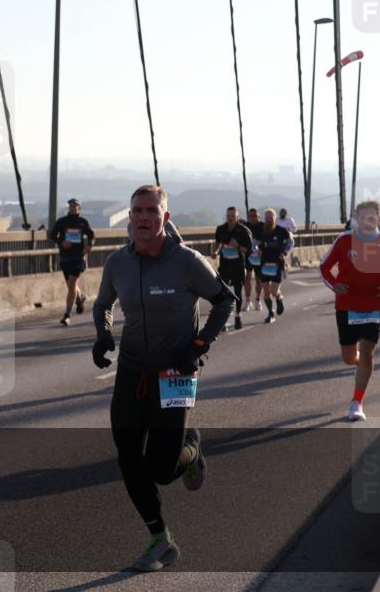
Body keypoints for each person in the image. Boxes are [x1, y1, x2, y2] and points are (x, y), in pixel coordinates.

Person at [92, 185, 235, 572]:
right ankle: (160, 539)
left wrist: (199, 345)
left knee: (159, 468)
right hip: (132, 371)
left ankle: (190, 448)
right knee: (126, 457)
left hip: (176, 372)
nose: (143, 217)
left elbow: (225, 300)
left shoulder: (187, 262)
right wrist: (103, 333)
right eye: (137, 210)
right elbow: (103, 304)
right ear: (129, 216)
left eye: (151, 211)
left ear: (165, 218)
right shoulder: (117, 263)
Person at [320, 200, 380, 421]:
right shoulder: (344, 241)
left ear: (379, 219)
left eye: (372, 217)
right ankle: (358, 363)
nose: (367, 221)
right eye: (362, 217)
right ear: (356, 219)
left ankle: (356, 402)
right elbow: (324, 267)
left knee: (368, 352)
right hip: (347, 305)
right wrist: (334, 285)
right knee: (349, 358)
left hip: (374, 305)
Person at [50, 198, 96, 326]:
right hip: (65, 258)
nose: (73, 208)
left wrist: (89, 245)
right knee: (71, 286)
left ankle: (67, 315)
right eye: (71, 206)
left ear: (79, 208)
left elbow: (92, 235)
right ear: (68, 208)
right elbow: (52, 235)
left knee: (72, 283)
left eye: (75, 206)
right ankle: (80, 298)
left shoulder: (83, 222)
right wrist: (61, 242)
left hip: (78, 257)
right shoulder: (62, 222)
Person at [215, 206, 253, 331]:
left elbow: (248, 250)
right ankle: (223, 321)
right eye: (228, 216)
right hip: (225, 266)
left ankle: (237, 315)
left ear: (237, 217)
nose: (230, 218)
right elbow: (218, 243)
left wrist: (237, 247)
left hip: (238, 266)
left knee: (237, 293)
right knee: (224, 294)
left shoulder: (243, 231)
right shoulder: (221, 229)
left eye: (232, 216)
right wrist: (215, 252)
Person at [256, 209, 294, 324]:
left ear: (274, 219)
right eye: (267, 218)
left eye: (271, 218)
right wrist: (256, 250)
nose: (268, 220)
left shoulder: (281, 231)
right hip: (264, 264)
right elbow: (254, 243)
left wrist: (285, 252)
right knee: (266, 291)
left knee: (273, 290)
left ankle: (279, 297)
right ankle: (270, 313)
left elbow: (291, 242)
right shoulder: (261, 231)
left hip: (277, 264)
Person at [241, 208, 265, 312]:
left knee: (259, 280)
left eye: (255, 216)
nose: (253, 218)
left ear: (258, 217)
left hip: (259, 257)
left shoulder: (263, 226)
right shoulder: (245, 227)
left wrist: (262, 249)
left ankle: (258, 300)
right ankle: (247, 301)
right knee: (248, 277)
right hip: (248, 256)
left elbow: (267, 239)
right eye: (251, 216)